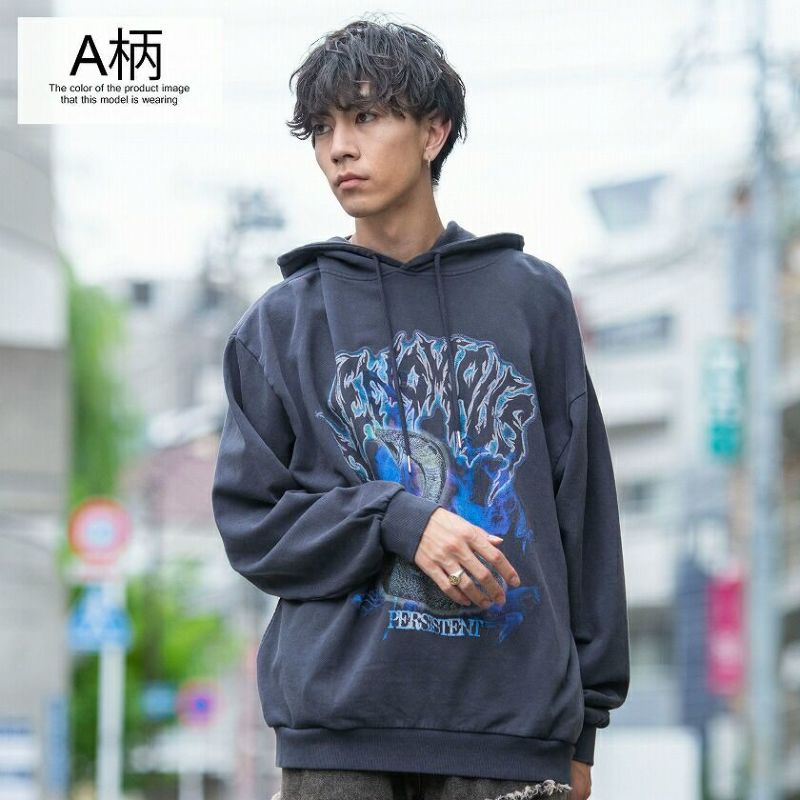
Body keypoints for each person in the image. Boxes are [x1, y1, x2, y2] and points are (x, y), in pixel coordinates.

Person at [211, 16, 630, 800]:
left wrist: (586, 722)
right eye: (323, 128)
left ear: (433, 132)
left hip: (509, 728)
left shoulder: (530, 299)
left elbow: (584, 509)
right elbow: (253, 523)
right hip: (339, 733)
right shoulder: (282, 323)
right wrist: (396, 520)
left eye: (366, 117)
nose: (340, 148)